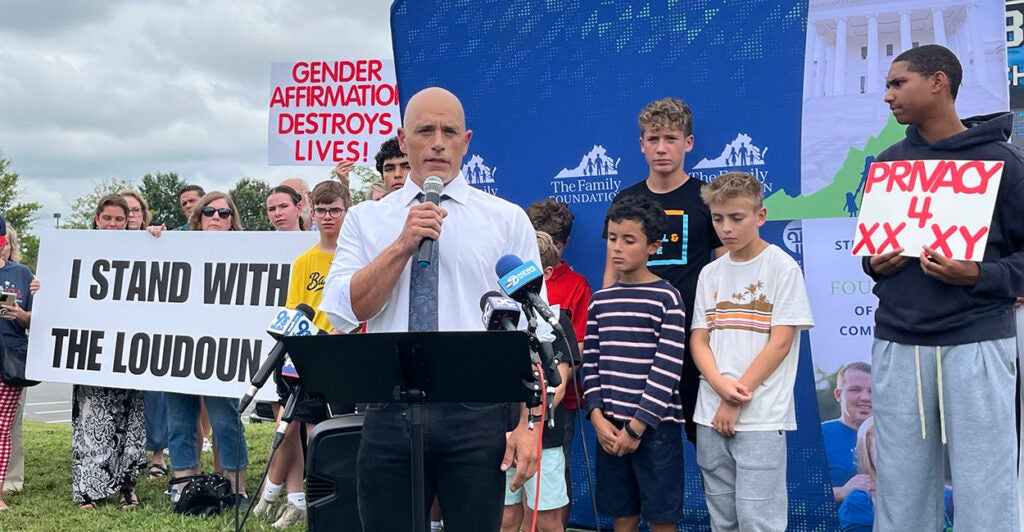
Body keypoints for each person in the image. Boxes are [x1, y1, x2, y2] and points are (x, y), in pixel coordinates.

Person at [321, 86, 541, 531]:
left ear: (466, 141)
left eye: (449, 131)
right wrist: (402, 245)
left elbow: (532, 332)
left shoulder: (506, 219)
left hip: (477, 414)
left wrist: (529, 424)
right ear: (404, 141)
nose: (438, 142)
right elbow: (344, 311)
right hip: (389, 410)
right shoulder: (367, 219)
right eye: (425, 131)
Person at [863, 44, 1024, 531]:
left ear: (938, 82)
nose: (887, 95)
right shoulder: (888, 163)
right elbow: (872, 254)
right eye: (887, 86)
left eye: (898, 83)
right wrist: (875, 264)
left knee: (986, 486)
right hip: (898, 341)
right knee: (900, 488)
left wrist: (977, 274)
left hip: (976, 340)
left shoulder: (1004, 162)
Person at [690, 171, 813, 531]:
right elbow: (699, 339)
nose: (726, 228)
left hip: (761, 415)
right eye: (718, 219)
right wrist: (719, 387)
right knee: (722, 520)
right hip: (709, 413)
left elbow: (780, 343)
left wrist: (735, 398)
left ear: (760, 216)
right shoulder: (710, 273)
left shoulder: (783, 268)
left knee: (759, 521)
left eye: (736, 218)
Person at [605, 97, 724, 444]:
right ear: (641, 144)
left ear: (688, 143)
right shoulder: (625, 201)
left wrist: (718, 333)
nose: (661, 148)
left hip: (695, 338)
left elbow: (724, 271)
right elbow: (612, 270)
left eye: (671, 138)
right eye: (653, 139)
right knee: (637, 435)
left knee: (705, 438)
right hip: (636, 337)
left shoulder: (707, 199)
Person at [581, 195, 686, 532]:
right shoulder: (600, 301)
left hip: (655, 429)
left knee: (661, 517)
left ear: (653, 246)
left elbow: (667, 369)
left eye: (629, 240)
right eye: (613, 238)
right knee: (621, 514)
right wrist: (597, 417)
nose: (617, 247)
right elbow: (590, 363)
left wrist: (638, 426)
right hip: (610, 427)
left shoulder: (667, 298)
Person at [252, 180, 353, 528]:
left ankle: (331, 499)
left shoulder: (356, 257)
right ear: (313, 212)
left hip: (346, 351)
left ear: (347, 212)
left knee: (331, 430)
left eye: (335, 210)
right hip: (309, 351)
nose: (328, 217)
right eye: (321, 210)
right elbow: (296, 311)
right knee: (300, 424)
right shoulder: (304, 261)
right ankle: (300, 499)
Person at [160, 192, 250, 504]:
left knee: (226, 420)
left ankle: (236, 488)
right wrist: (152, 237)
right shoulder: (175, 246)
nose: (216, 217)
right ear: (198, 218)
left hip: (222, 350)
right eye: (209, 211)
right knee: (179, 419)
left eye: (224, 213)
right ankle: (184, 486)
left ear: (232, 220)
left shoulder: (248, 252)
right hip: (177, 347)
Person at [71, 195, 147, 510]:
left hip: (129, 351)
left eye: (119, 219)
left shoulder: (143, 249)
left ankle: (127, 488)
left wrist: (156, 235)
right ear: (97, 220)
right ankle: (90, 490)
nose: (113, 224)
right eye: (107, 218)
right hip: (91, 350)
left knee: (129, 419)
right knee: (92, 420)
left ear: (128, 221)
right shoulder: (76, 250)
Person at [501, 231, 576, 532]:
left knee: (546, 521)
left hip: (544, 439)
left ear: (544, 274)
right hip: (499, 434)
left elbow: (559, 385)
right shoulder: (497, 321)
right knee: (505, 518)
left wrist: (527, 426)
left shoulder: (557, 320)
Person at [526, 198, 591, 525]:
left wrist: (555, 371)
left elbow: (579, 342)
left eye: (554, 241)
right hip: (512, 406)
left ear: (564, 244)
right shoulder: (511, 283)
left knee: (554, 471)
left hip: (557, 402)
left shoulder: (575, 284)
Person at [117, 189, 170, 480]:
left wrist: (156, 239)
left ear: (143, 214)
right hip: (118, 330)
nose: (131, 215)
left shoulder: (155, 241)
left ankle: (158, 455)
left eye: (135, 210)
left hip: (151, 331)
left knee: (154, 394)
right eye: (125, 210)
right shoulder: (100, 243)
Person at [0, 215, 32, 510]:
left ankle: (5, 485)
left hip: (11, 357)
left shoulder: (22, 274)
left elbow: (39, 319)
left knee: (6, 426)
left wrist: (20, 314)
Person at [821, 362, 872, 503]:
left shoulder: (893, 438)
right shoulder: (818, 437)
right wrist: (841, 491)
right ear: (838, 395)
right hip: (838, 517)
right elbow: (798, 494)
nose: (865, 397)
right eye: (855, 390)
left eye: (872, 391)